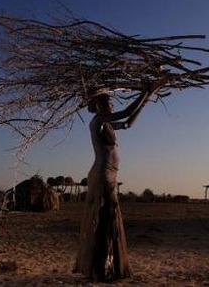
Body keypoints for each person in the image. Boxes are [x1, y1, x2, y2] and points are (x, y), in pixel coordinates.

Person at [75, 81, 153, 281]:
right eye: (108, 101)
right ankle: (99, 269)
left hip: (109, 175)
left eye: (111, 102)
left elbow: (127, 123)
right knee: (104, 221)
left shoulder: (106, 123)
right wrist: (145, 93)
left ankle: (105, 267)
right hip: (102, 175)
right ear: (99, 105)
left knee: (109, 222)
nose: (111, 105)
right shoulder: (98, 121)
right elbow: (125, 112)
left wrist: (145, 102)